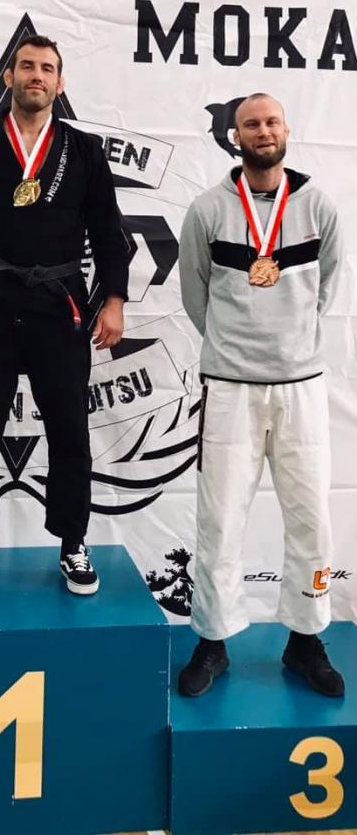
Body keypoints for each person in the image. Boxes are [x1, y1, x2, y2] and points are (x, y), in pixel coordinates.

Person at [0, 35, 128, 599]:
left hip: (60, 304)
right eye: (28, 66)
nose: (37, 75)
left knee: (69, 428)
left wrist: (113, 298)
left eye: (48, 69)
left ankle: (72, 541)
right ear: (8, 77)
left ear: (60, 84)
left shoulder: (84, 150)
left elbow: (109, 233)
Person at [178, 93, 344, 697]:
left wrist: (289, 344)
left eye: (272, 121)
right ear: (236, 136)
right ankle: (213, 640)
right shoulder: (208, 210)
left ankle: (305, 640)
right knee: (220, 518)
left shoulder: (319, 206)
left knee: (311, 517)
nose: (263, 131)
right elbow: (195, 294)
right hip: (230, 388)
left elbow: (326, 288)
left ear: (287, 130)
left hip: (301, 387)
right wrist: (235, 348)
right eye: (251, 124)